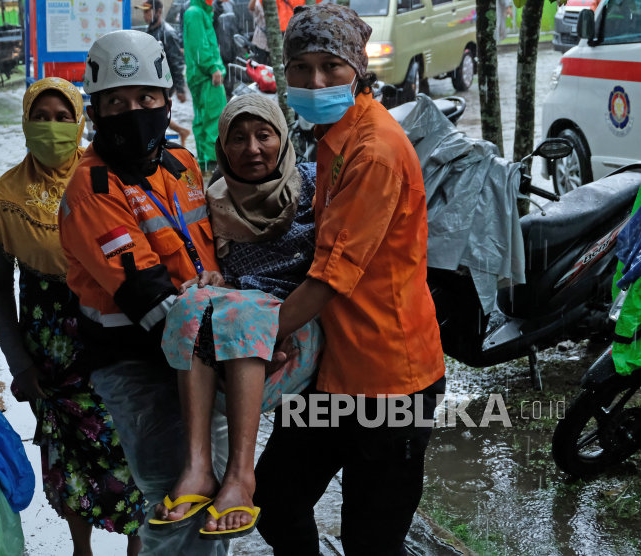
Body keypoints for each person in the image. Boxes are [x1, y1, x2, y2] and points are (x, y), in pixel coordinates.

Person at [251, 5, 447, 556]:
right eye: (302, 67)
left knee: (372, 539)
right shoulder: (332, 136)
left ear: (357, 71)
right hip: (333, 369)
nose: (315, 80)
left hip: (390, 380)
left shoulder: (374, 152)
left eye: (330, 67)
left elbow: (328, 280)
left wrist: (250, 344)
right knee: (274, 498)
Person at [58, 30, 229, 556]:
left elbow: (217, 253)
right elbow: (148, 296)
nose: (133, 111)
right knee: (173, 497)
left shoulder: (182, 165)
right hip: (138, 361)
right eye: (116, 102)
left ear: (166, 99)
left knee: (216, 493)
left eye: (145, 99)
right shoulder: (92, 188)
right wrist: (249, 342)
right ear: (96, 109)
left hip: (202, 347)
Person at [0, 77, 145, 556]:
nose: (51, 128)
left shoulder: (110, 179)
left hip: (115, 337)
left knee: (128, 444)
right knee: (66, 453)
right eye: (41, 117)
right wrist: (20, 365)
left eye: (62, 117)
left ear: (80, 123)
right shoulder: (3, 199)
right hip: (48, 351)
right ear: (26, 122)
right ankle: (82, 549)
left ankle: (138, 547)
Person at [152, 94, 323, 538]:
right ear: (222, 147)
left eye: (264, 135)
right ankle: (199, 468)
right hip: (241, 343)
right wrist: (212, 276)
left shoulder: (314, 188)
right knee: (190, 303)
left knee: (241, 312)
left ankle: (241, 476)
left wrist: (267, 315)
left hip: (296, 335)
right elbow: (221, 277)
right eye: (238, 138)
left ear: (283, 139)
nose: (252, 149)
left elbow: (332, 272)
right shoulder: (214, 202)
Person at [136, 0, 192, 147]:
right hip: (152, 81)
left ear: (158, 12)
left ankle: (158, 145)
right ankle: (180, 132)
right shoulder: (151, 30)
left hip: (164, 82)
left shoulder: (167, 33)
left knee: (154, 114)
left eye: (147, 11)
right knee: (154, 113)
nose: (145, 15)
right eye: (143, 11)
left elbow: (177, 62)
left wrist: (180, 88)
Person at [183, 0, 228, 172]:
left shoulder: (197, 11)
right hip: (206, 75)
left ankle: (207, 163)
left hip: (201, 74)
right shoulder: (196, 13)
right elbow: (199, 46)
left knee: (204, 119)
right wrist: (212, 68)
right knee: (213, 119)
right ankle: (213, 162)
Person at [247, 0, 269, 65]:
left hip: (276, 38)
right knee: (260, 66)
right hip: (260, 39)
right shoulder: (258, 2)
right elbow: (251, 7)